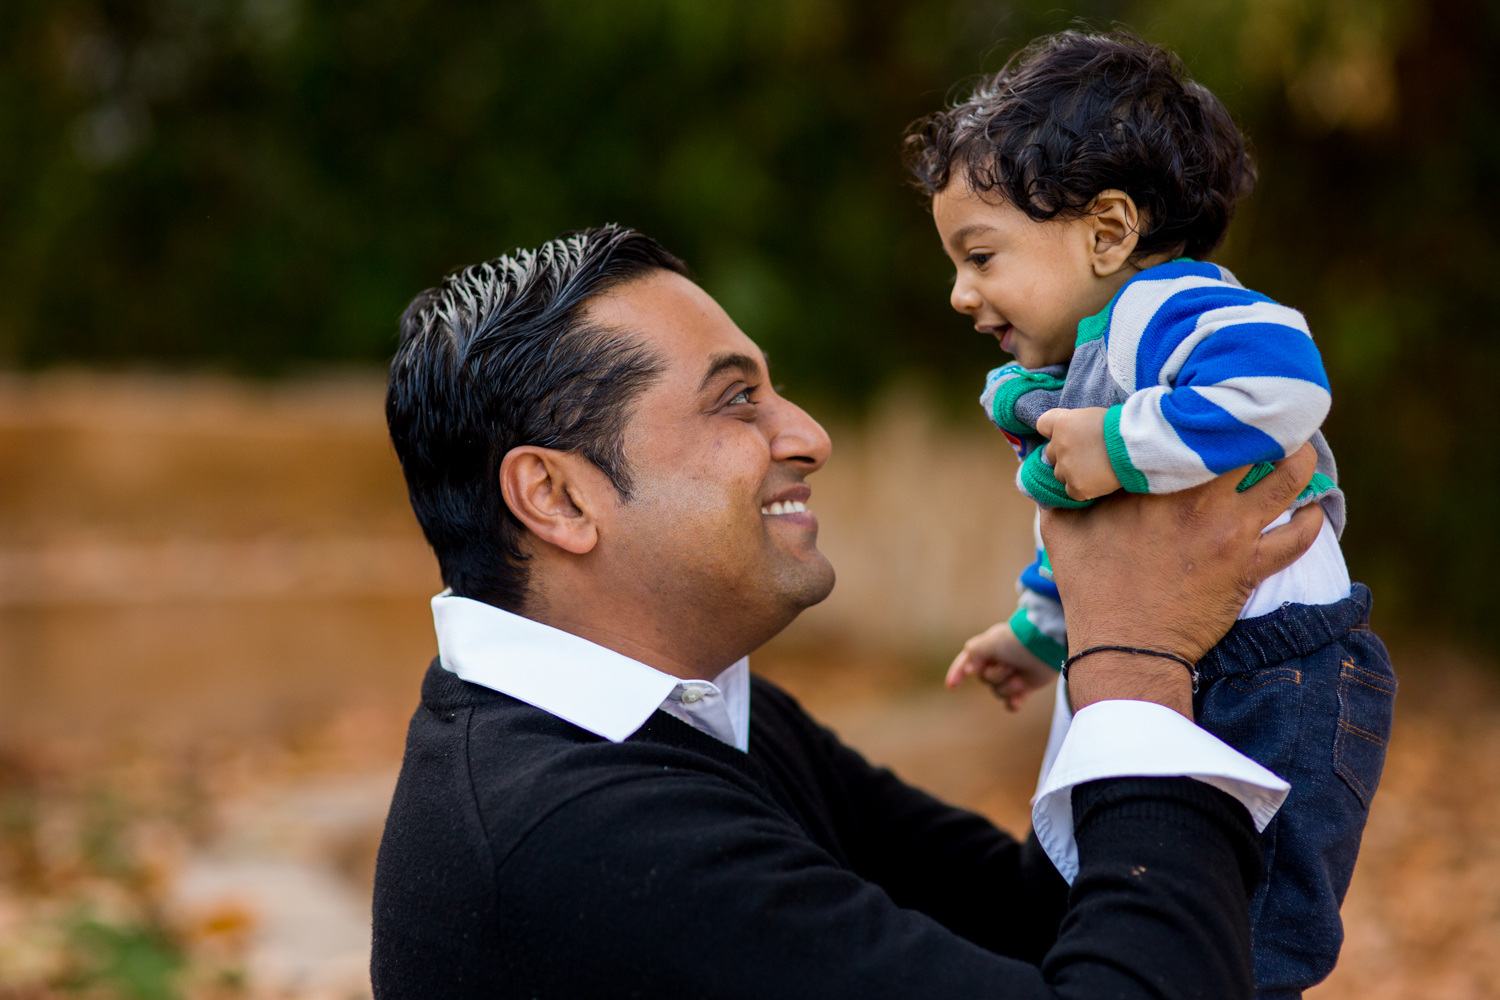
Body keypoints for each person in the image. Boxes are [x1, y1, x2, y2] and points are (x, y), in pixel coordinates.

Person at [373, 224, 1324, 999]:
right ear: (558, 498)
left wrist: (1116, 611)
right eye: (736, 401)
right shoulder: (586, 843)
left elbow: (1037, 920)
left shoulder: (690, 717)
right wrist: (1136, 661)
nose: (809, 436)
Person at [907, 32, 1396, 998]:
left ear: (1109, 230)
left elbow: (1287, 382)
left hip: (1281, 670)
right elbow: (1096, 545)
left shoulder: (1176, 309)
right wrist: (1037, 629)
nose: (962, 294)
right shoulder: (1088, 359)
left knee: (1251, 941)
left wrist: (1120, 442)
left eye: (981, 256)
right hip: (1181, 650)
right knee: (1102, 884)